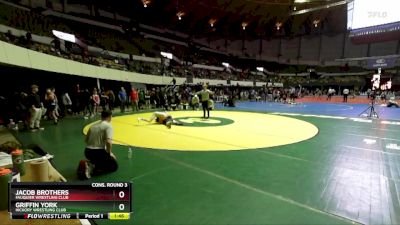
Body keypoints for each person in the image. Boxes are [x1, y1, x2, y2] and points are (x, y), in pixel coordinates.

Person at [79, 110, 117, 179]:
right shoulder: (108, 126)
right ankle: (91, 168)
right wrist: (109, 153)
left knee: (102, 159)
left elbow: (86, 141)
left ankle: (92, 163)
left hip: (87, 151)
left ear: (101, 116)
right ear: (110, 117)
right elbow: (109, 142)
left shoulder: (92, 126)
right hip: (98, 152)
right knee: (113, 166)